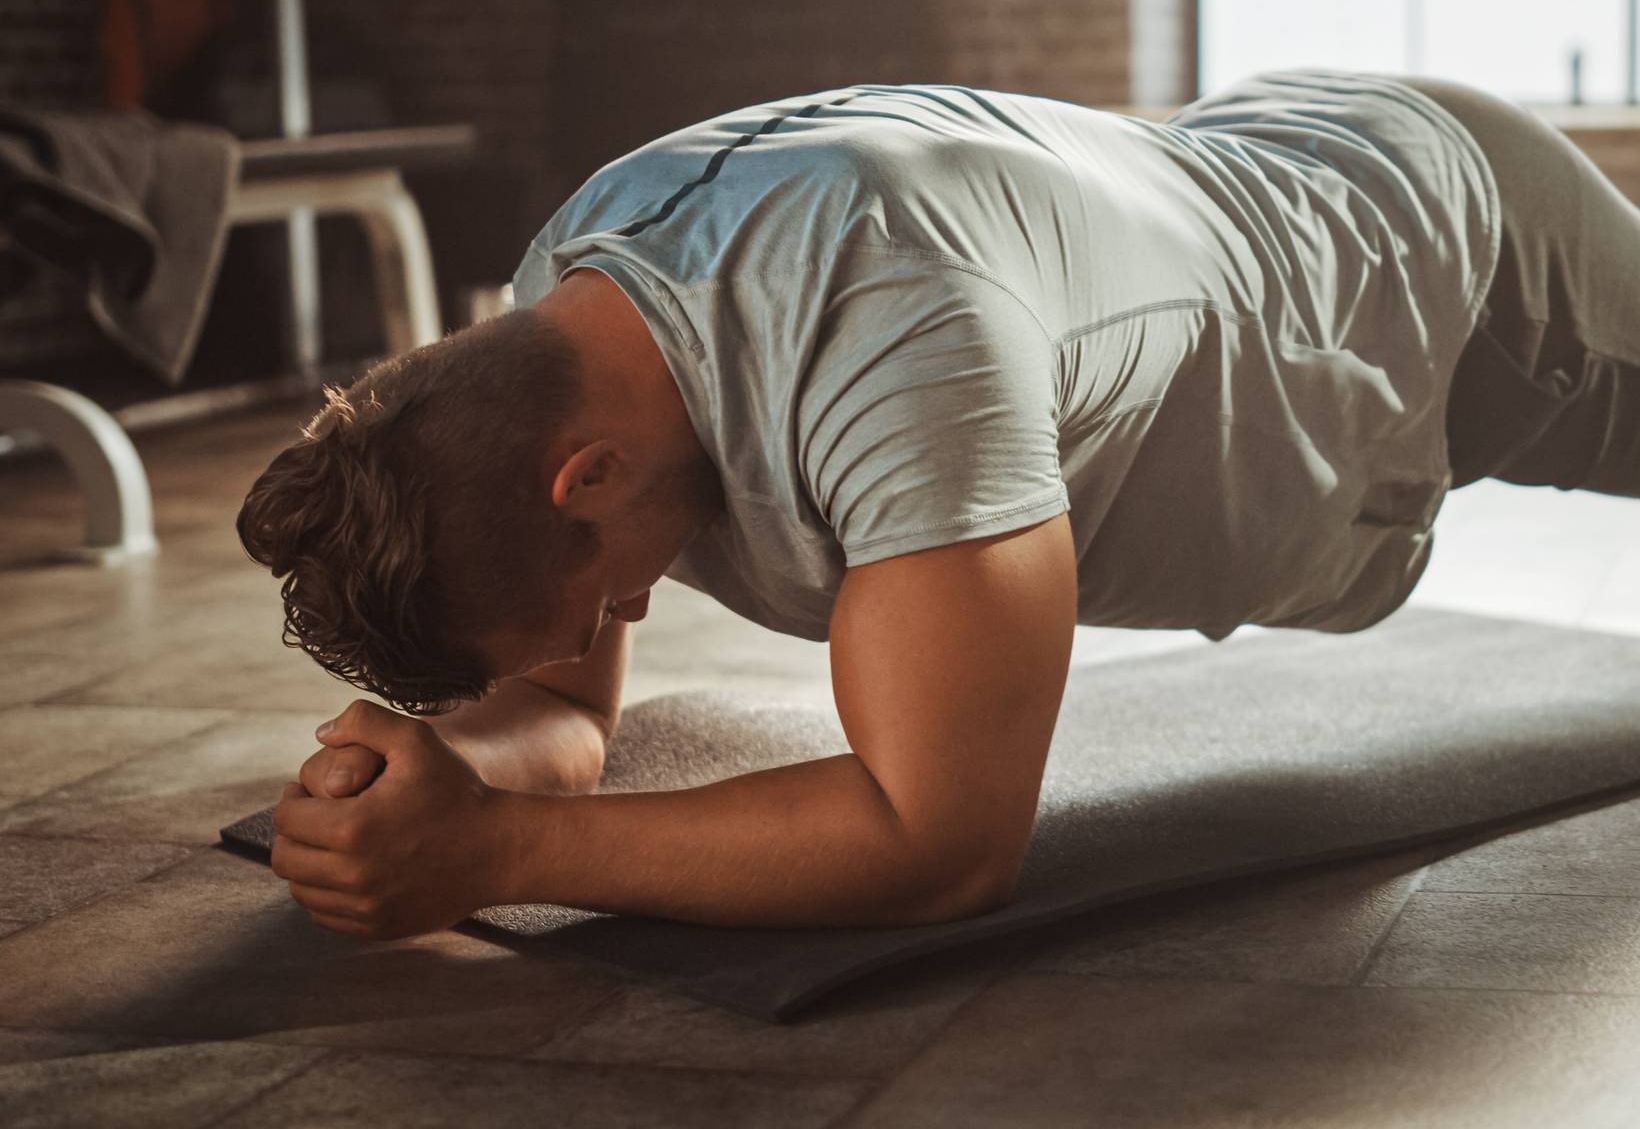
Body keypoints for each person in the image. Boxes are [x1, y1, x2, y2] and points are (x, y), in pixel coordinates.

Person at [237, 68, 1640, 940]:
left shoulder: (893, 333)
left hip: (1445, 261)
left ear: (586, 478)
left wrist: (496, 854)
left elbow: (939, 843)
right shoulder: (561, 326)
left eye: (604, 595)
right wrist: (447, 777)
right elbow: (570, 716)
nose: (632, 615)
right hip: (1254, 179)